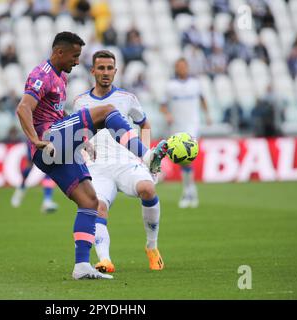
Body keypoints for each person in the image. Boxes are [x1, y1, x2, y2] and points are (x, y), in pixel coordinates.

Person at [15, 32, 169, 280]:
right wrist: (35, 140)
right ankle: (147, 155)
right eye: (75, 56)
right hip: (48, 144)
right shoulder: (41, 75)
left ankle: (82, 266)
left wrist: (81, 141)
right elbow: (23, 108)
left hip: (59, 148)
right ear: (59, 52)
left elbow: (57, 117)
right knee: (106, 112)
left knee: (90, 202)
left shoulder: (60, 78)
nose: (77, 62)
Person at [73, 50, 164, 274]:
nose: (105, 72)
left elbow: (144, 123)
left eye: (109, 68)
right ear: (92, 71)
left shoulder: (127, 98)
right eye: (101, 68)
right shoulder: (80, 102)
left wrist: (145, 155)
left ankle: (152, 247)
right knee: (98, 207)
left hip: (126, 160)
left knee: (147, 189)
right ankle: (105, 260)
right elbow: (75, 133)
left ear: (116, 71)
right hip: (97, 166)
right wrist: (83, 144)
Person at [160, 58, 211, 208]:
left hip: (192, 125)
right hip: (176, 127)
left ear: (187, 67)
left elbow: (203, 99)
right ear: (176, 68)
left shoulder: (195, 84)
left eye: (184, 66)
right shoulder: (170, 86)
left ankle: (189, 192)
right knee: (183, 161)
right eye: (179, 67)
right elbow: (162, 105)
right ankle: (189, 191)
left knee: (188, 158)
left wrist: (207, 115)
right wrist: (167, 114)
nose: (181, 69)